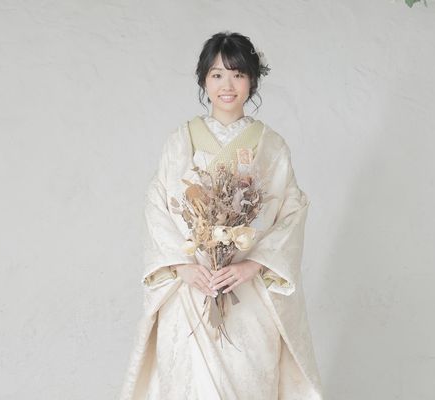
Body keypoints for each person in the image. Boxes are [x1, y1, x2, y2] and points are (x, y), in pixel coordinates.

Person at [119, 31, 323, 399]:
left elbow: (291, 212)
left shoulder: (271, 146)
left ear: (252, 81)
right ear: (203, 80)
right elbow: (157, 206)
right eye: (217, 75)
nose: (227, 86)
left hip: (246, 290)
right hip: (190, 288)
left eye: (237, 74)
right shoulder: (179, 141)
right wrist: (182, 267)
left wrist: (253, 265)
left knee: (248, 383)